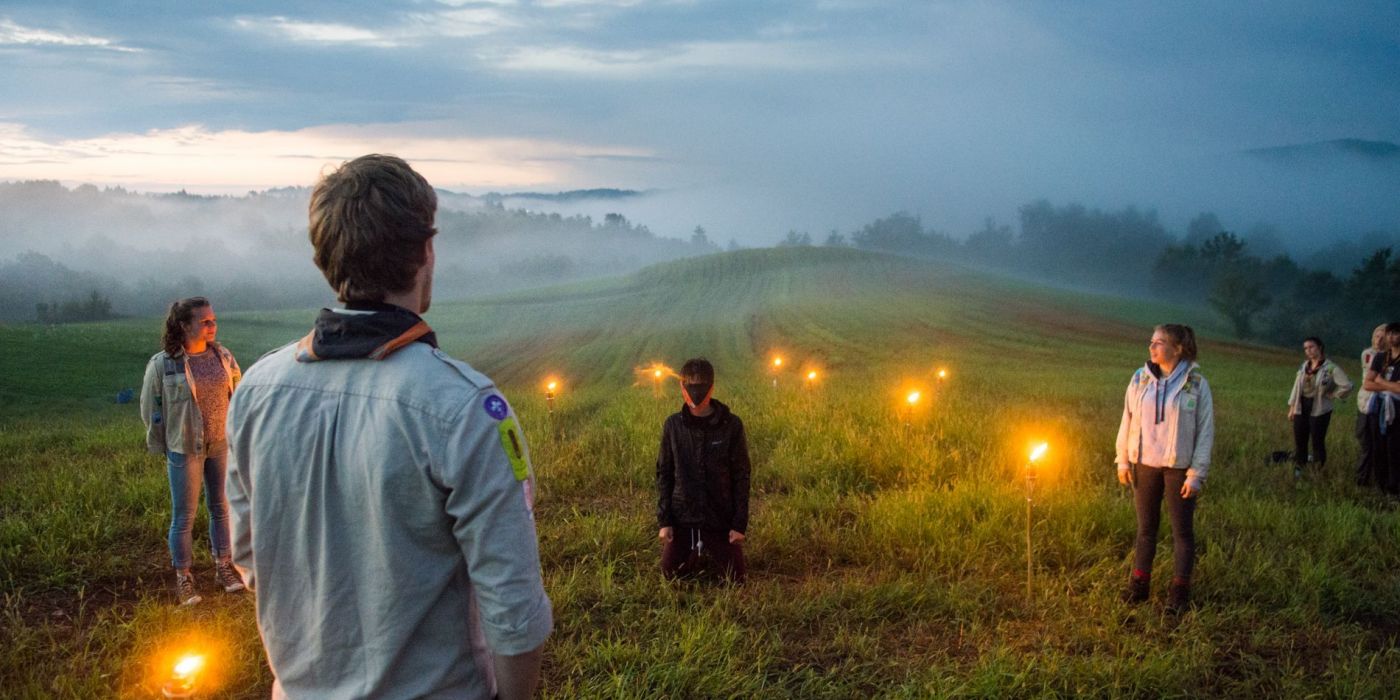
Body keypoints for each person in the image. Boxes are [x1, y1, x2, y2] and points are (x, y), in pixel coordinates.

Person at [226, 155, 551, 699]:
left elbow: (249, 555)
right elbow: (513, 606)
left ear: (322, 257)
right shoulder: (466, 406)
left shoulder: (255, 390)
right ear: (426, 250)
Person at [140, 296, 244, 605]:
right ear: (185, 326)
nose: (213, 326)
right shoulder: (163, 364)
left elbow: (238, 396)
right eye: (205, 321)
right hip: (184, 447)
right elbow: (151, 408)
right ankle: (183, 576)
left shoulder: (224, 357)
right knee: (184, 515)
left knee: (221, 508)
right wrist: (163, 444)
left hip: (220, 445)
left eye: (213, 320)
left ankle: (224, 566)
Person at [1114, 324, 1214, 613]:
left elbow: (1205, 431)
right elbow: (1127, 418)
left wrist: (1196, 474)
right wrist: (1122, 458)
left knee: (1182, 532)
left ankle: (1179, 593)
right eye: (1151, 341)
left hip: (1178, 468)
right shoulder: (1139, 378)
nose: (1152, 347)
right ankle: (1139, 586)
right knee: (1146, 529)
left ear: (1178, 348)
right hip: (1144, 464)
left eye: (1159, 342)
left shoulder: (1196, 383)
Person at [657, 358, 752, 584]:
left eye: (701, 384)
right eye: (690, 384)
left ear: (711, 387)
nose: (695, 390)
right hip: (683, 517)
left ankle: (704, 551)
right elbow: (664, 474)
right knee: (670, 575)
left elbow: (741, 475)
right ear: (681, 387)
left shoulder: (731, 425)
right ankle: (692, 553)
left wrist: (739, 525)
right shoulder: (673, 426)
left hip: (719, 518)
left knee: (735, 579)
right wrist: (665, 521)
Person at [1286, 336, 1352, 477]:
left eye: (1311, 347)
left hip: (1320, 408)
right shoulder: (1304, 366)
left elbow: (1347, 385)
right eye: (1306, 348)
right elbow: (1296, 387)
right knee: (1300, 440)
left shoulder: (1330, 368)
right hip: (1301, 405)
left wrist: (1334, 394)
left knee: (1317, 441)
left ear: (1320, 347)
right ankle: (1299, 469)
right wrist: (1292, 407)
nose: (1308, 351)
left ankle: (1317, 470)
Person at [1362, 321, 1400, 495]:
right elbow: (1367, 384)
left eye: (1395, 333)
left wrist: (1380, 381)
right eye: (1389, 333)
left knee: (1394, 449)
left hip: (1396, 410)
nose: (1391, 337)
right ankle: (1380, 485)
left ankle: (1394, 488)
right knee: (1378, 447)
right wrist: (1389, 385)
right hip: (1377, 407)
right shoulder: (1380, 357)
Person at [1355, 324, 1387, 487]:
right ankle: (1362, 479)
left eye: (1383, 337)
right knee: (1365, 441)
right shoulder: (1368, 354)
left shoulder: (1391, 356)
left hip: (1383, 405)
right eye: (1376, 336)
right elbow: (1371, 380)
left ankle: (1378, 480)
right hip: (1366, 402)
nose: (1379, 340)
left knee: (1379, 443)